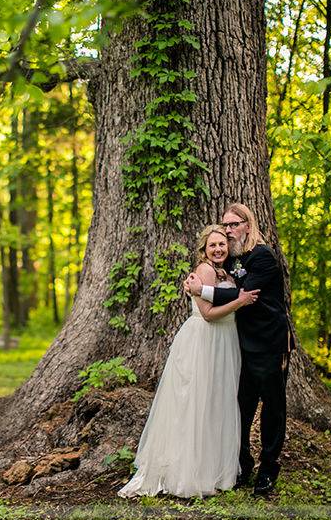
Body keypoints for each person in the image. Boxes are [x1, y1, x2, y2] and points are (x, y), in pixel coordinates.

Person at [118, 225, 259, 499]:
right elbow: (208, 314)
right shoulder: (204, 270)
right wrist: (240, 302)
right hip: (205, 339)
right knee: (197, 403)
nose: (218, 249)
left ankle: (216, 468)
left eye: (222, 244)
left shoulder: (228, 271)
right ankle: (190, 471)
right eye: (212, 245)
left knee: (218, 403)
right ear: (204, 249)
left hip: (225, 340)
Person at [184, 203, 290, 497]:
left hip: (269, 344)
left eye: (233, 225)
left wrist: (200, 291)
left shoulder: (264, 257)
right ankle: (241, 463)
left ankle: (268, 470)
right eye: (225, 225)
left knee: (272, 408)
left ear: (247, 225)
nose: (228, 231)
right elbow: (219, 280)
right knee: (239, 408)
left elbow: (241, 295)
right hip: (239, 345)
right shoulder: (231, 260)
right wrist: (196, 280)